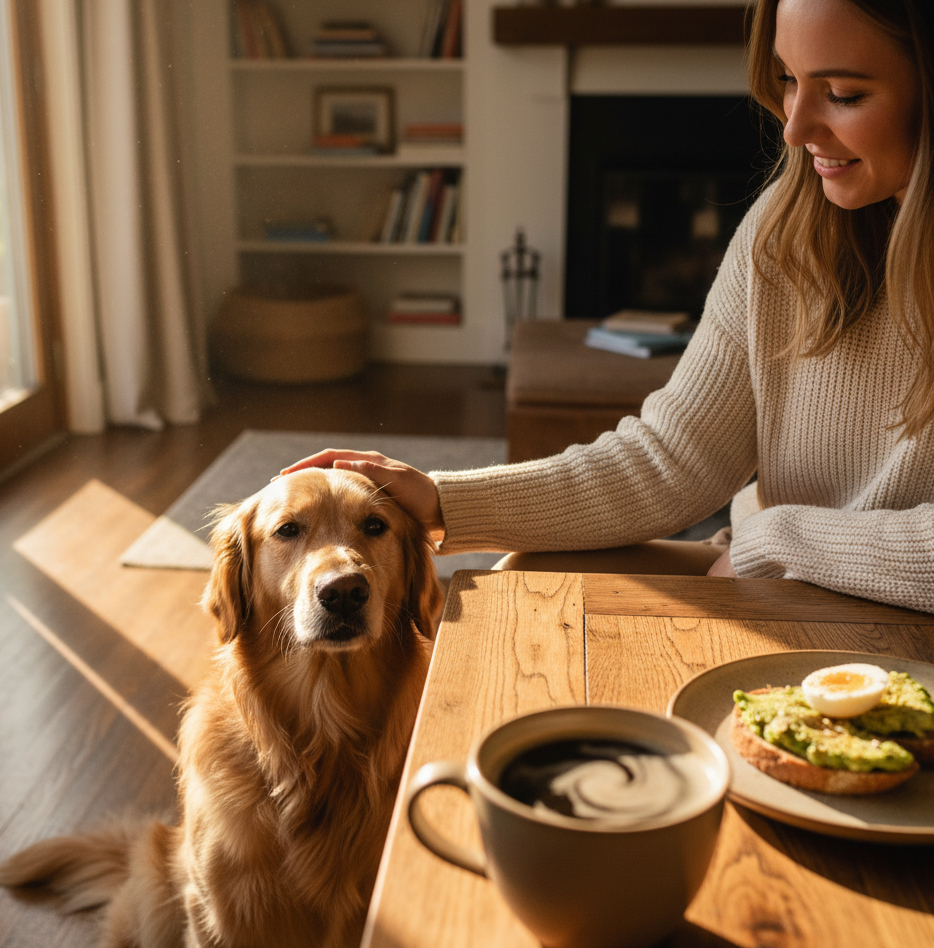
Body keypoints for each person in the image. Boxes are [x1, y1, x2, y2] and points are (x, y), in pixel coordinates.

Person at [283, 0, 934, 615]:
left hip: (882, 609)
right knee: (525, 578)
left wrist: (777, 540)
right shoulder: (786, 230)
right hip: (772, 581)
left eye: (844, 94)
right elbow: (671, 459)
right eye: (789, 79)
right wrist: (443, 501)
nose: (794, 127)